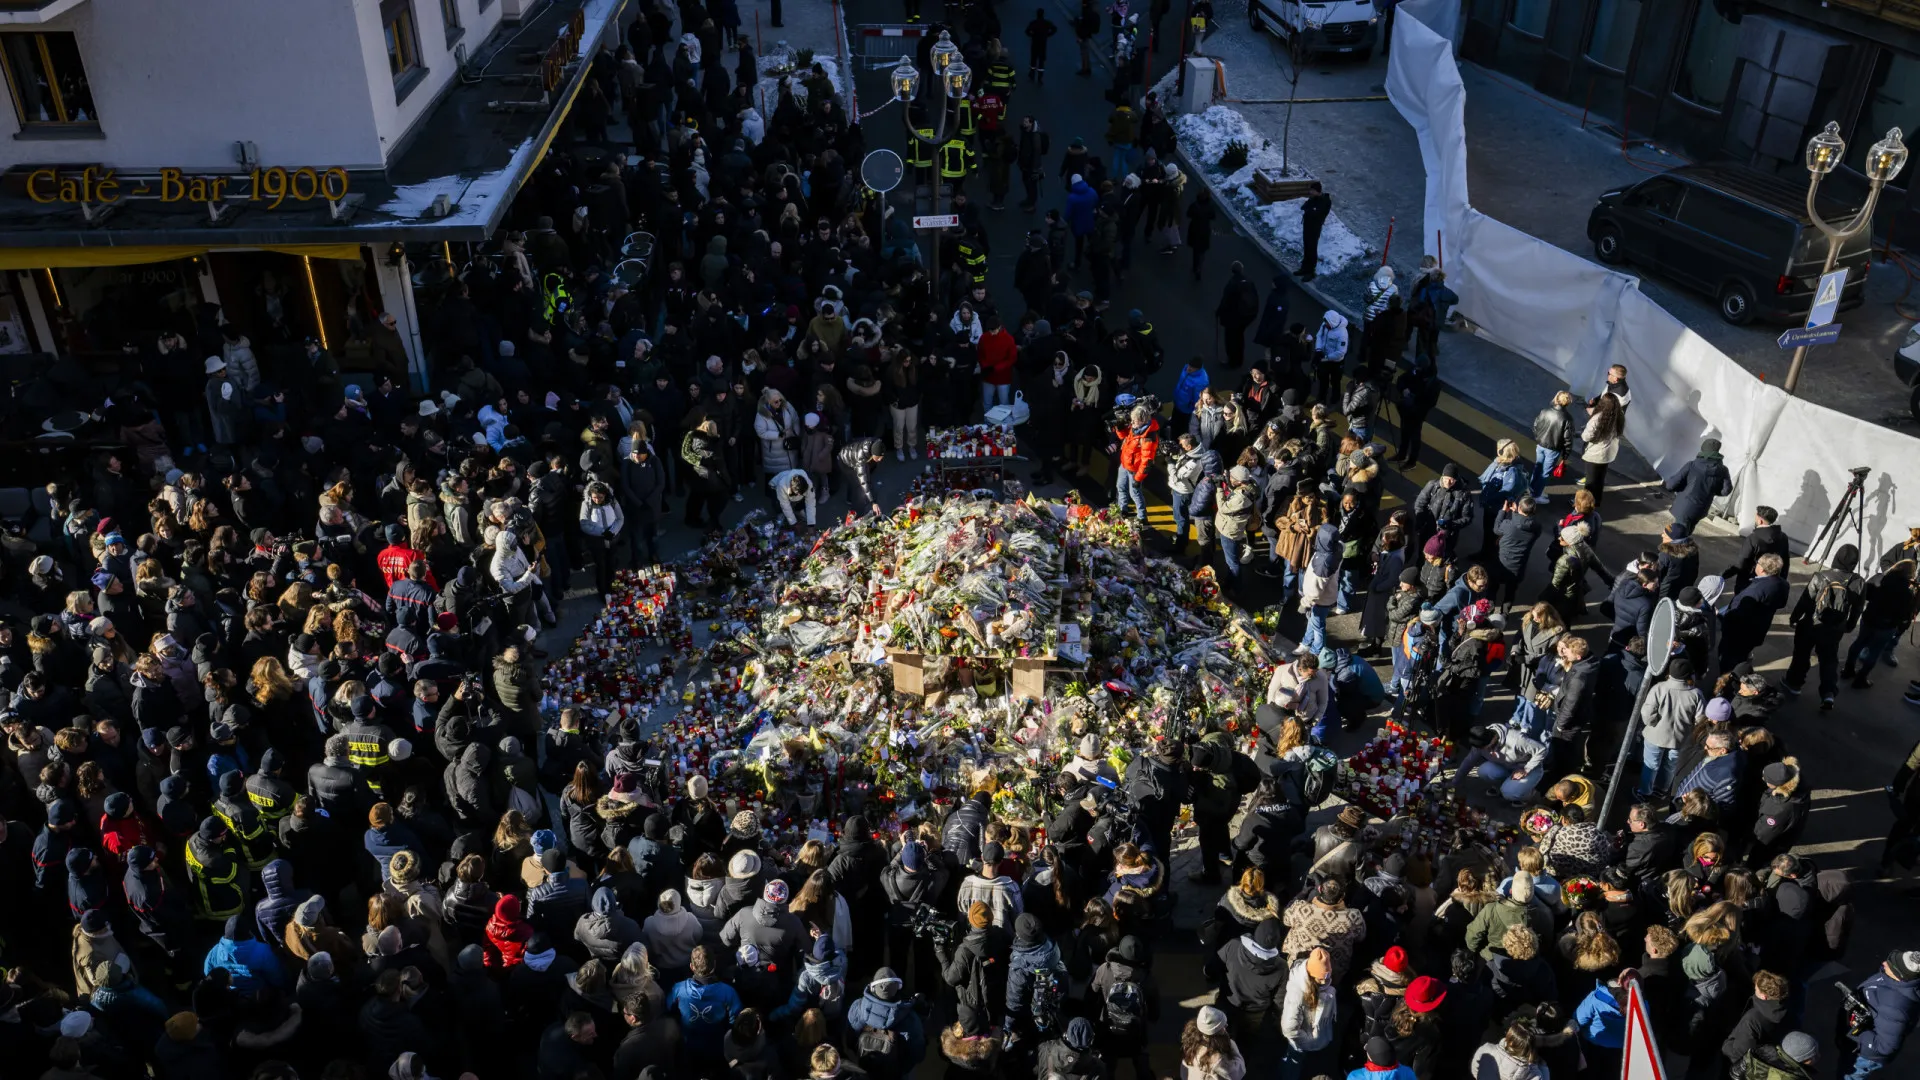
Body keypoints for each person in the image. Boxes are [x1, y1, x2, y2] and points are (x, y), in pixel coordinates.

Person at [1784, 543, 1864, 708]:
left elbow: (1806, 600)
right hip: (1835, 628)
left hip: (1811, 624)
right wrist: (1849, 625)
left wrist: (1794, 617)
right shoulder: (1859, 582)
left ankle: (1794, 684)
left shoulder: (1821, 576)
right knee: (1829, 659)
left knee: (1802, 654)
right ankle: (1828, 693)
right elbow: (1857, 608)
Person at [1841, 950, 1920, 1078]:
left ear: (1899, 975)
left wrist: (1857, 1028)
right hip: (1859, 1041)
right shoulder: (1892, 979)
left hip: (1865, 1056)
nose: (1884, 963)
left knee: (1850, 1076)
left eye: (1890, 964)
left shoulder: (1896, 1007)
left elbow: (1885, 1047)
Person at [1216, 262, 1260, 369]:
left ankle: (1232, 361)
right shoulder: (1249, 281)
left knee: (1230, 339)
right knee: (1239, 337)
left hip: (1233, 317)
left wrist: (1219, 312)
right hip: (1247, 316)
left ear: (1232, 271)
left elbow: (1226, 301)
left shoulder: (1232, 284)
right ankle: (1239, 359)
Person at [1298, 182, 1330, 280]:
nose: (1310, 192)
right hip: (1307, 226)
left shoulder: (1325, 201)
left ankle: (1310, 271)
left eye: (1312, 190)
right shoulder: (1313, 198)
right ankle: (1304, 268)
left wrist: (1311, 209)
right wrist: (1311, 209)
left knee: (1312, 248)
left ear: (1317, 191)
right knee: (1307, 246)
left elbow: (1317, 213)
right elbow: (1304, 207)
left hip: (1315, 228)